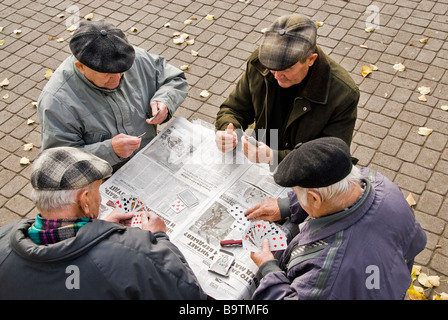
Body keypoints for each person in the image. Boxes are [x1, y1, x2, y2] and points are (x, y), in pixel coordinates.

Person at [0, 147, 205, 300]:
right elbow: (188, 293)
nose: (100, 196)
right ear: (85, 200)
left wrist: (95, 229)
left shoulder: (4, 237)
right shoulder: (135, 255)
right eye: (98, 190)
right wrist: (159, 238)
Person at [248, 137, 427, 299]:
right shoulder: (379, 182)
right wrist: (288, 205)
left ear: (314, 199)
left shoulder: (327, 270)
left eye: (296, 193)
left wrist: (269, 268)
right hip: (390, 279)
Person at [37, 20, 188, 171]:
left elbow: (175, 79)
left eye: (121, 71)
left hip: (149, 162)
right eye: (107, 74)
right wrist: (109, 150)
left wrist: (165, 100)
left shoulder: (130, 58)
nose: (117, 78)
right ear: (81, 67)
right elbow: (59, 162)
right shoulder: (56, 102)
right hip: (101, 179)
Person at [215, 14, 359, 167]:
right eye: (273, 69)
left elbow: (331, 157)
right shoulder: (262, 62)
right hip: (259, 155)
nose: (277, 76)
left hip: (304, 173)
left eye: (288, 69)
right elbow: (233, 109)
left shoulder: (344, 94)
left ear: (311, 59)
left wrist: (274, 157)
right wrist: (228, 132)